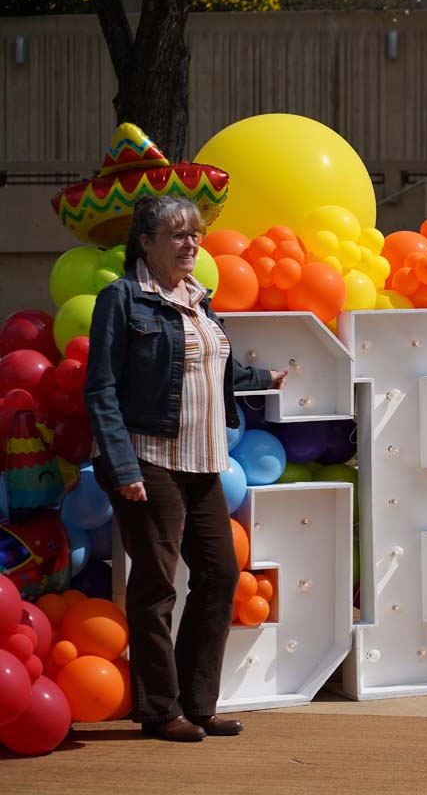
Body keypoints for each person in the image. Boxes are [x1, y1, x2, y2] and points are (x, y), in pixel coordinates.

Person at [83, 196, 287, 741]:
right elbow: (100, 388)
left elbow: (211, 369)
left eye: (194, 235)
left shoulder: (199, 302)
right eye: (176, 235)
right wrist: (122, 465)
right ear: (145, 243)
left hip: (202, 462)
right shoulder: (122, 300)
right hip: (146, 460)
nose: (190, 244)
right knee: (155, 586)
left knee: (220, 575)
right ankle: (159, 710)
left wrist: (258, 376)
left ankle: (200, 704)